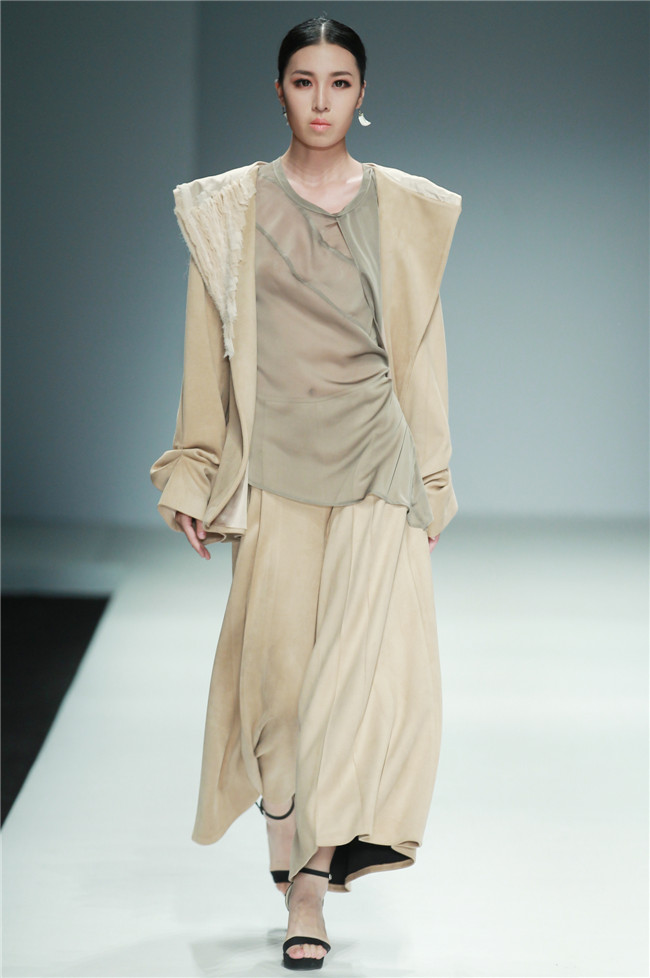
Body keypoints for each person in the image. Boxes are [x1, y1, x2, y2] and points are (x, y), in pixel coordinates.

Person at [150, 15, 461, 971]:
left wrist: (432, 482)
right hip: (277, 470)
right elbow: (207, 353)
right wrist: (195, 467)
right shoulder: (227, 208)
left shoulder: (406, 209)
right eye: (303, 81)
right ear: (278, 91)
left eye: (339, 82)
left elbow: (420, 354)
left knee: (348, 693)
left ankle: (311, 889)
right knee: (277, 690)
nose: (321, 100)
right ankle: (282, 823)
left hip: (374, 467)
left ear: (362, 96)